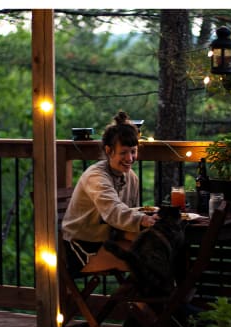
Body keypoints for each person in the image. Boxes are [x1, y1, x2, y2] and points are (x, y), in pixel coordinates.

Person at [61, 110, 158, 275]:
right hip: (81, 247)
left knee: (158, 251)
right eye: (123, 152)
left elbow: (129, 213)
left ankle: (147, 301)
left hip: (110, 241)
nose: (130, 158)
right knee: (147, 262)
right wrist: (143, 219)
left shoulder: (131, 177)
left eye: (133, 151)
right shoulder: (96, 177)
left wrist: (153, 217)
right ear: (108, 150)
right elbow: (113, 211)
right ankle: (144, 301)